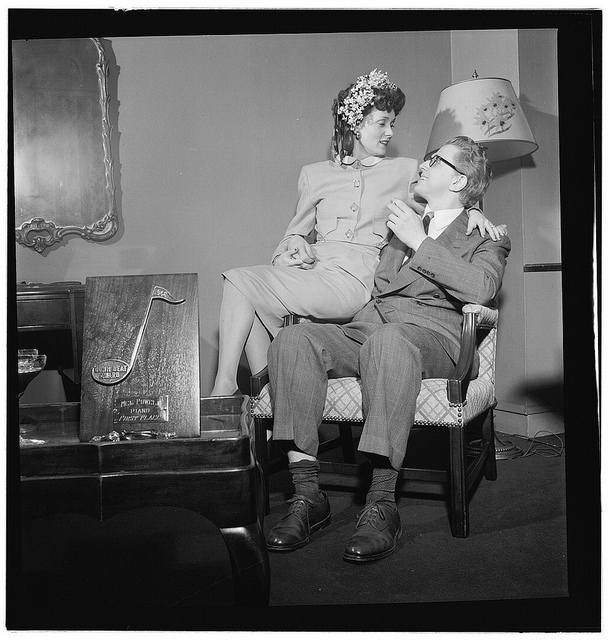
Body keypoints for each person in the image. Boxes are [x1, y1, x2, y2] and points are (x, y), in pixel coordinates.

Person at [264, 135, 511, 562]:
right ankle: (307, 495)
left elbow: (482, 288)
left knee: (390, 340)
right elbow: (375, 284)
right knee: (294, 338)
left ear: (459, 181)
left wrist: (422, 240)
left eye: (436, 160)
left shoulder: (485, 237)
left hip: (430, 338)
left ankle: (381, 502)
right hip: (372, 326)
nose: (424, 163)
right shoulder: (403, 227)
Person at [211, 70, 502, 396]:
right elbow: (292, 236)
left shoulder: (405, 170)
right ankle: (266, 392)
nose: (390, 132)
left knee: (241, 284)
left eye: (393, 123)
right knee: (239, 283)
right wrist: (291, 247)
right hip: (314, 272)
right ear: (355, 123)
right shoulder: (313, 175)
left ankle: (232, 389)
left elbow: (445, 202)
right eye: (382, 123)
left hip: (358, 279)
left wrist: (475, 209)